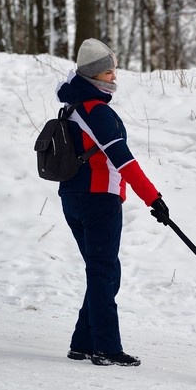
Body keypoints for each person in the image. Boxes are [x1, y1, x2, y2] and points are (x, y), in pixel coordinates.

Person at [56, 38, 170, 367]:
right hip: (98, 200)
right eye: (109, 71)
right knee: (104, 273)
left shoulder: (73, 106)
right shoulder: (97, 111)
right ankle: (105, 346)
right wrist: (154, 199)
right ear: (95, 76)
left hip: (72, 198)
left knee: (102, 271)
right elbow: (124, 161)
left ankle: (82, 341)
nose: (114, 76)